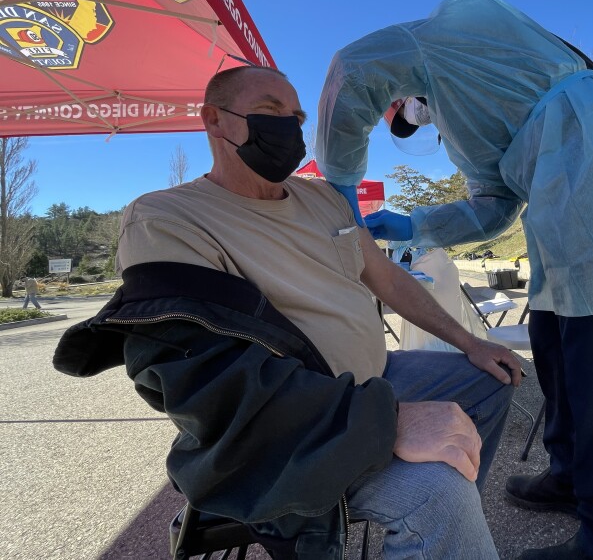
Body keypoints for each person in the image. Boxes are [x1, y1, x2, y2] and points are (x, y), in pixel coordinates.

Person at [53, 65, 523, 560]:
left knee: (492, 376)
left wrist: (470, 341)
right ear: (214, 120)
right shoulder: (167, 218)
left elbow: (386, 278)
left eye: (296, 117)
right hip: (295, 420)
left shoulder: (323, 199)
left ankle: (452, 519)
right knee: (436, 493)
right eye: (269, 113)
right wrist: (385, 422)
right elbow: (207, 379)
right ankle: (419, 509)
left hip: (374, 380)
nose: (289, 129)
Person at [317, 0, 593, 560]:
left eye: (400, 111)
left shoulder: (445, 40)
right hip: (558, 203)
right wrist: (413, 226)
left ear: (398, 96)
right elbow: (495, 206)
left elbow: (354, 69)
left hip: (590, 170)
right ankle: (570, 475)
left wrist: (340, 182)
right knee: (553, 346)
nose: (413, 119)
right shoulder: (466, 110)